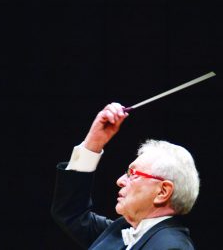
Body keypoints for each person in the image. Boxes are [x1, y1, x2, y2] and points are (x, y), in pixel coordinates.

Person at [51, 102, 200, 250]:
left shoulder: (171, 246)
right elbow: (71, 212)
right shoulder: (121, 230)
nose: (120, 181)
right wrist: (94, 142)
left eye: (132, 174)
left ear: (162, 192)